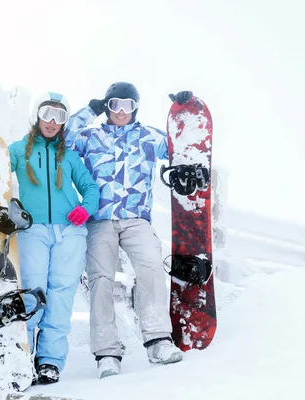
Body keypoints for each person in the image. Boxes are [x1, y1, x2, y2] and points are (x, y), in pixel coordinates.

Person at [65, 82, 194, 378]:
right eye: (113, 105)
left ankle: (158, 339)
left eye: (127, 105)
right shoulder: (90, 136)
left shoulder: (148, 136)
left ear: (135, 107)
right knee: (101, 279)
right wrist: (89, 111)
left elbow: (180, 145)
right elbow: (64, 137)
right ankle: (107, 352)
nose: (120, 111)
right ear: (107, 108)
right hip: (99, 219)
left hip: (136, 219)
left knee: (150, 266)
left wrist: (184, 112)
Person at [8, 92, 100, 384]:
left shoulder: (70, 156)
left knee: (60, 295)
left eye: (59, 116)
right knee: (33, 291)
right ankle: (22, 354)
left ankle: (49, 361)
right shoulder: (19, 149)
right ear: (36, 115)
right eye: (47, 113)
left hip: (69, 233)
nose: (52, 121)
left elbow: (90, 188)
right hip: (32, 230)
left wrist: (85, 209)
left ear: (64, 123)